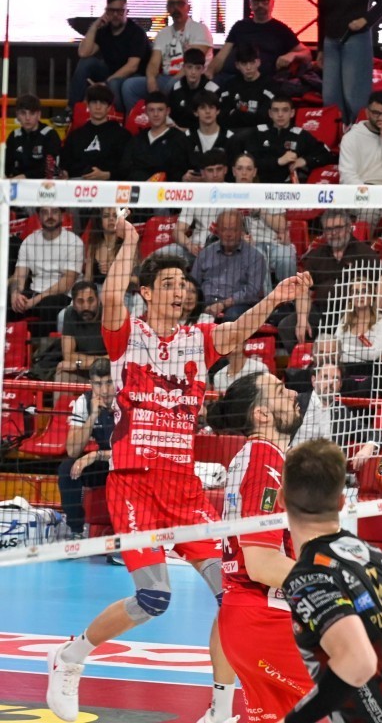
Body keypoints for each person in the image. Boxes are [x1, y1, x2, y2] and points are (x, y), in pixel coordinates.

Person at [44, 213, 311, 723]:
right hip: (134, 486)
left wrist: (276, 298)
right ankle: (71, 656)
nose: (179, 290)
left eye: (183, 284)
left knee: (235, 597)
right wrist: (129, 239)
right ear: (146, 293)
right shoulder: (127, 336)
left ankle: (221, 709)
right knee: (154, 597)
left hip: (185, 492)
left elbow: (238, 331)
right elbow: (112, 295)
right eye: (168, 283)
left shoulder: (198, 340)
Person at [281, 439, 382, 723]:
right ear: (341, 501)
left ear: (281, 499)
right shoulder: (373, 555)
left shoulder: (307, 577)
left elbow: (359, 662)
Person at [207, 372, 314, 723]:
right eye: (281, 391)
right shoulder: (263, 461)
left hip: (250, 621)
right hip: (265, 619)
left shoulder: (261, 458)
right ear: (262, 414)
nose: (293, 393)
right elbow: (262, 564)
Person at [286, 209, 380, 354]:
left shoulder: (364, 253)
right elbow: (303, 290)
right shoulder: (317, 256)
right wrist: (302, 319)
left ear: (348, 228)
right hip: (321, 311)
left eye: (338, 228)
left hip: (351, 312)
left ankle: (342, 363)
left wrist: (371, 311)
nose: (333, 233)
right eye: (329, 229)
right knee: (287, 325)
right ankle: (307, 361)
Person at [121, 0, 214, 112]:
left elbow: (194, 62)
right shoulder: (162, 33)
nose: (176, 8)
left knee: (173, 85)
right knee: (129, 86)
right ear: (167, 9)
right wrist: (151, 80)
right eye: (172, 4)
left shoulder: (200, 29)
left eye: (180, 4)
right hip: (165, 77)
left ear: (188, 7)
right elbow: (154, 63)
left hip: (191, 78)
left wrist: (172, 82)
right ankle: (140, 120)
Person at [63, 0, 149, 117]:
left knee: (114, 83)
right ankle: (71, 110)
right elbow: (83, 53)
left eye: (119, 11)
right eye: (111, 11)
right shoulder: (104, 31)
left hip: (133, 75)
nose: (115, 15)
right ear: (106, 12)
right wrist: (94, 26)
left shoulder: (136, 32)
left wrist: (106, 82)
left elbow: (132, 66)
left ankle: (120, 118)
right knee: (86, 63)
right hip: (111, 71)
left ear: (126, 12)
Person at [57, 359, 115, 539]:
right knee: (67, 469)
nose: (104, 390)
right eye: (98, 384)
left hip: (127, 462)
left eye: (109, 382)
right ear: (91, 384)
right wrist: (93, 417)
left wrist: (95, 455)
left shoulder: (128, 400)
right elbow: (72, 451)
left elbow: (132, 452)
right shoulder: (84, 401)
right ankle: (76, 531)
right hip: (105, 463)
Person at [210, 0, 310, 83]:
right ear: (250, 4)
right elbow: (221, 56)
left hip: (264, 82)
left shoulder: (281, 30)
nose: (260, 5)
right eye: (256, 1)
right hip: (231, 78)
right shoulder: (239, 26)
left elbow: (307, 54)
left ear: (272, 4)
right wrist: (209, 74)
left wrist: (293, 55)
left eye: (265, 1)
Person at [9, 206, 83, 337]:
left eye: (54, 212)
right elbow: (18, 276)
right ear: (38, 216)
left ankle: (45, 347)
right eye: (45, 212)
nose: (50, 216)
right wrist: (15, 294)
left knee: (48, 305)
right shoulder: (29, 241)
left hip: (62, 296)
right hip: (34, 294)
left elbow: (66, 283)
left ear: (62, 215)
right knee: (8, 301)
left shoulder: (74, 242)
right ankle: (10, 345)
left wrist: (35, 300)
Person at [191, 210, 269, 322]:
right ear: (217, 231)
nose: (229, 234)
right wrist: (198, 305)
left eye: (233, 230)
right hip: (205, 303)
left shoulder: (255, 257)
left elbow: (252, 292)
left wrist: (223, 304)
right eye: (224, 230)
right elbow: (193, 284)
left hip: (237, 306)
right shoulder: (205, 254)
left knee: (233, 315)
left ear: (241, 231)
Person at [246, 95, 335, 184]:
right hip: (260, 185)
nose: (280, 114)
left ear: (292, 113)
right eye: (276, 110)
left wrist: (305, 161)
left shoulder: (301, 135)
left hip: (290, 188)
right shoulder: (258, 133)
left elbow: (327, 155)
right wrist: (278, 161)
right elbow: (248, 162)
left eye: (285, 110)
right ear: (270, 113)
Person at [59, 85, 130, 182]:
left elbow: (127, 168)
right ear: (88, 105)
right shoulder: (75, 136)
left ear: (109, 107)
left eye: (103, 103)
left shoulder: (123, 136)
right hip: (76, 184)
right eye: (94, 102)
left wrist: (108, 175)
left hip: (110, 186)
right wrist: (64, 173)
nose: (98, 107)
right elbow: (64, 164)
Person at [116, 92, 190, 182]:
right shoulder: (137, 139)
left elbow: (180, 171)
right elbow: (124, 168)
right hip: (138, 187)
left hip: (166, 189)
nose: (156, 114)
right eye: (151, 110)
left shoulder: (179, 139)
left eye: (160, 110)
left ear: (167, 111)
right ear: (146, 112)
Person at [55, 280, 107, 385]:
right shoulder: (70, 314)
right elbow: (68, 356)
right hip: (82, 372)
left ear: (98, 300)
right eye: (80, 301)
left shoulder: (109, 315)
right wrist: (100, 359)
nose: (86, 307)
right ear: (74, 304)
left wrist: (78, 364)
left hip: (107, 373)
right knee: (62, 375)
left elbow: (114, 359)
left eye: (91, 300)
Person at [181, 93, 242, 179]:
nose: (208, 112)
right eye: (203, 108)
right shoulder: (186, 138)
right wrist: (183, 178)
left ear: (218, 111)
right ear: (195, 112)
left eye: (211, 107)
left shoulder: (231, 139)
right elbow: (178, 168)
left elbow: (235, 172)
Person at [219, 43, 279, 132]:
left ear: (258, 62)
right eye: (244, 63)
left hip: (259, 134)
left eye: (252, 62)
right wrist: (250, 117)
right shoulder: (229, 85)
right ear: (237, 65)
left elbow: (264, 118)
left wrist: (235, 113)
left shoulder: (270, 86)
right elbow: (222, 115)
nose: (248, 68)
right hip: (233, 133)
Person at [6, 94, 61, 179]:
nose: (27, 118)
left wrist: (25, 176)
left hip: (44, 183)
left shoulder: (50, 135)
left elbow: (51, 167)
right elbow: (6, 166)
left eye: (32, 113)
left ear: (39, 115)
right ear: (17, 115)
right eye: (23, 113)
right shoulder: (13, 136)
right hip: (18, 182)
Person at [169, 48, 223, 133]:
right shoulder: (176, 88)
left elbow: (218, 121)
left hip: (204, 134)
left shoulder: (213, 90)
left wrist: (188, 131)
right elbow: (170, 115)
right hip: (179, 133)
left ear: (203, 69)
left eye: (198, 68)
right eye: (189, 67)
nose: (193, 72)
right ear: (184, 67)